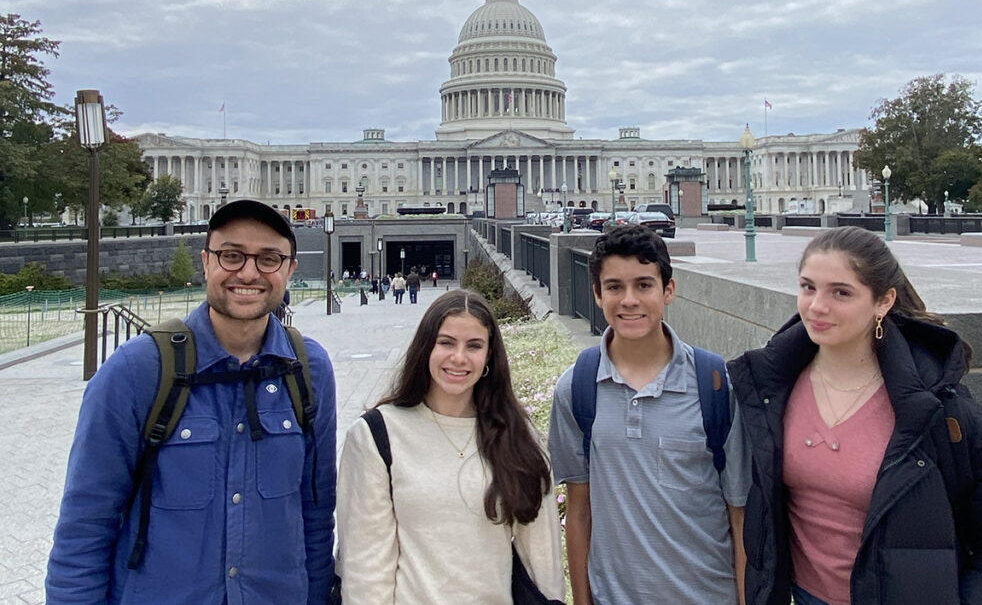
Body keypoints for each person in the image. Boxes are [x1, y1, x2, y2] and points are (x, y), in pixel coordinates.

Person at [46, 200, 338, 604]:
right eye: (231, 255)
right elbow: (86, 524)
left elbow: (316, 514)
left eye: (269, 259)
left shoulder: (310, 370)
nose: (249, 272)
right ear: (206, 261)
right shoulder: (137, 369)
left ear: (290, 269)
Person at [728, 226, 982, 605]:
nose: (817, 306)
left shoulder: (937, 406)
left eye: (841, 292)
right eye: (808, 287)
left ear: (883, 301)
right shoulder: (769, 386)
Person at [547, 225, 750, 604]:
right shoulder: (576, 389)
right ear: (597, 294)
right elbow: (579, 512)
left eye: (643, 285)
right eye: (614, 287)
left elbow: (739, 516)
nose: (629, 300)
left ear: (668, 291)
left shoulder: (716, 385)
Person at [335, 290, 564, 603]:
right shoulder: (376, 437)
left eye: (474, 346)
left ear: (488, 358)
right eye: (446, 343)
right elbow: (366, 569)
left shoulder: (518, 437)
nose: (459, 357)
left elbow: (542, 561)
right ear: (426, 347)